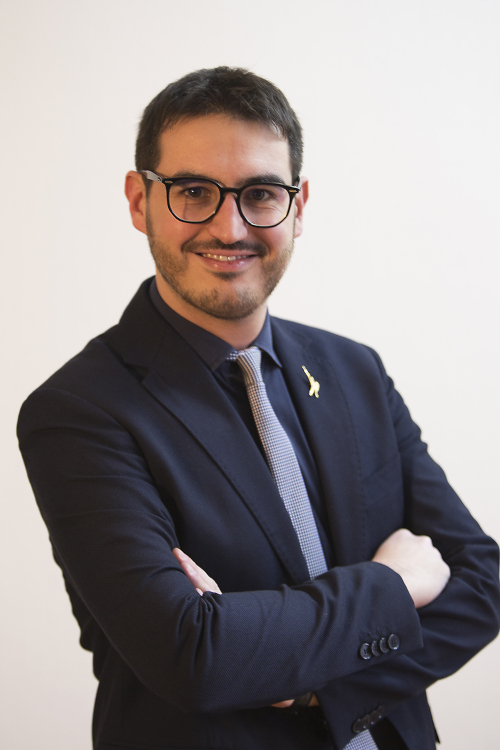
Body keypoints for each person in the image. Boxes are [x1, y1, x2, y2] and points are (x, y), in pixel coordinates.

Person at [18, 67, 500, 750]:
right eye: (193, 192)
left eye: (261, 194)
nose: (230, 226)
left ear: (298, 207)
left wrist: (317, 686)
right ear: (139, 200)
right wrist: (392, 584)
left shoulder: (354, 371)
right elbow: (194, 655)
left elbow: (481, 582)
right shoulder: (78, 412)